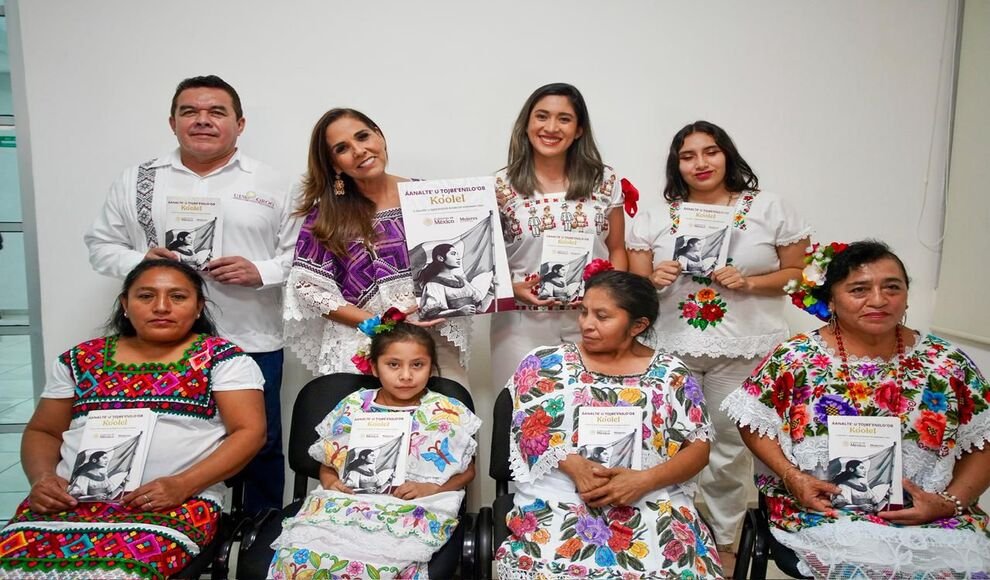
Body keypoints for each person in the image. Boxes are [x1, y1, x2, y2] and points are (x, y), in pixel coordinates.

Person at [84, 75, 299, 515]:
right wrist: (145, 262)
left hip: (250, 339)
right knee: (166, 439)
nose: (203, 121)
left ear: (239, 124)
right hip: (160, 345)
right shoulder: (139, 180)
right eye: (190, 112)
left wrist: (259, 271)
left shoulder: (276, 182)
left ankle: (257, 533)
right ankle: (175, 530)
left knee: (260, 444)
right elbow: (100, 246)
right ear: (172, 121)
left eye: (216, 112)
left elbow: (302, 256)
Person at [723, 240, 990, 577]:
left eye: (892, 288)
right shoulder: (796, 358)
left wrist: (949, 502)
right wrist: (792, 477)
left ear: (906, 295)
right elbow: (752, 422)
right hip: (824, 510)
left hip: (928, 511)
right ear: (831, 300)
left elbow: (983, 439)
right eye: (859, 289)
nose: (878, 300)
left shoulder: (947, 363)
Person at [0, 259, 266, 578]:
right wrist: (42, 478)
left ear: (199, 308)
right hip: (69, 502)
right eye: (146, 296)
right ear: (125, 304)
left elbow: (249, 433)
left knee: (117, 573)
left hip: (173, 503)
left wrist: (181, 485)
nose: (162, 307)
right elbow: (43, 430)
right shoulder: (80, 359)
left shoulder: (222, 360)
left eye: (178, 297)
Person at [627, 120, 811, 565]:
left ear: (727, 154)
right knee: (669, 447)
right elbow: (631, 285)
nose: (700, 163)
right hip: (670, 349)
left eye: (710, 151)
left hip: (745, 348)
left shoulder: (770, 207)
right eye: (687, 156)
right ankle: (670, 542)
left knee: (730, 448)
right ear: (677, 164)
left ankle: (726, 544)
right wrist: (652, 279)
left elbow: (800, 275)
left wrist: (751, 282)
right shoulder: (654, 214)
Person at [496, 269, 723, 579]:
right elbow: (526, 429)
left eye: (602, 316)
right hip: (562, 493)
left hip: (649, 495)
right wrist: (573, 465)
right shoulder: (547, 362)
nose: (586, 324)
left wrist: (643, 481)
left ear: (638, 325)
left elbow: (698, 450)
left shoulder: (671, 373)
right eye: (584, 311)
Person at [268, 316, 481, 579]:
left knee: (388, 563)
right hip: (349, 501)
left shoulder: (446, 411)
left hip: (419, 504)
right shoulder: (353, 406)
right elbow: (328, 462)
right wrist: (331, 482)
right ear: (374, 367)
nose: (406, 375)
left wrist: (433, 488)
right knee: (304, 556)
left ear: (431, 367)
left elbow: (467, 471)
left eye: (418, 365)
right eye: (393, 365)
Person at [283, 108, 470, 386]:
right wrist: (380, 323)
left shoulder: (431, 198)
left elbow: (466, 263)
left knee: (445, 422)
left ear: (380, 137)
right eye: (342, 148)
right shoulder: (327, 215)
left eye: (363, 136)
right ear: (334, 164)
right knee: (370, 427)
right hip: (364, 344)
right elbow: (306, 288)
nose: (358, 150)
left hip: (436, 339)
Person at [491, 83, 632, 391]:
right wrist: (511, 288)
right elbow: (487, 261)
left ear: (579, 129)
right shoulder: (499, 185)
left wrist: (613, 301)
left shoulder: (604, 181)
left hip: (590, 320)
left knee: (589, 411)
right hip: (520, 323)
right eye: (542, 116)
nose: (551, 127)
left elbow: (617, 248)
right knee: (520, 414)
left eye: (564, 119)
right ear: (527, 124)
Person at [415, 242, 493, 319]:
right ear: (440, 258)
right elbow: (432, 315)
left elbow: (480, 309)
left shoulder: (462, 281)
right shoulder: (433, 284)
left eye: (457, 254)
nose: (458, 257)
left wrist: (491, 292)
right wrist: (458, 311)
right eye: (453, 254)